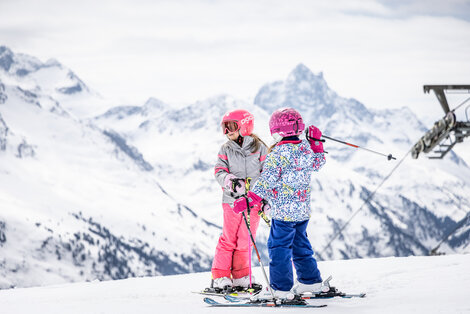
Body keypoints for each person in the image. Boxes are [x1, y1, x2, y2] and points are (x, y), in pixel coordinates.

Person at [232, 107, 326, 300]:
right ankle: (311, 281)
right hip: (302, 211)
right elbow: (318, 163)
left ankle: (280, 288)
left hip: (284, 213)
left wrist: (249, 200)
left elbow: (267, 181)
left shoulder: (278, 154)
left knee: (279, 248)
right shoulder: (305, 148)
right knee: (300, 245)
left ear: (277, 131)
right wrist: (316, 143)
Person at [212, 109, 268, 290]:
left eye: (232, 126)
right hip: (232, 202)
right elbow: (219, 171)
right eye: (225, 128)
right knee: (229, 238)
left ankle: (241, 275)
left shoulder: (260, 148)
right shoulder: (225, 149)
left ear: (244, 126)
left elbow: (267, 175)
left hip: (253, 202)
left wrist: (265, 200)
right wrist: (230, 181)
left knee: (246, 239)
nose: (228, 132)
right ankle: (220, 276)